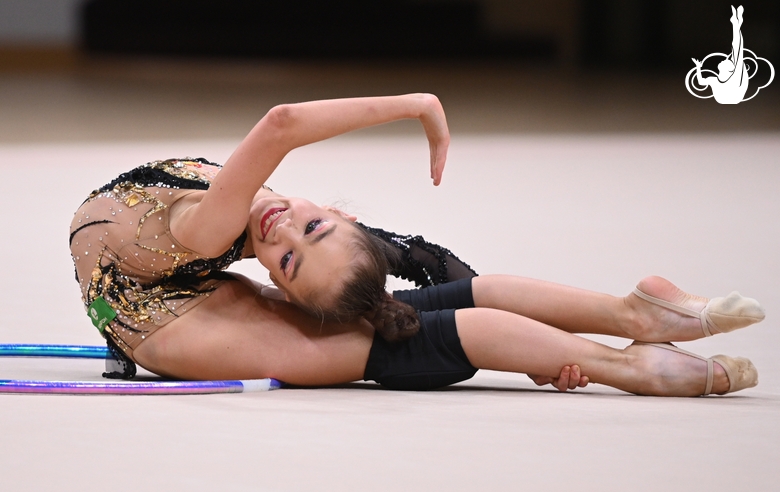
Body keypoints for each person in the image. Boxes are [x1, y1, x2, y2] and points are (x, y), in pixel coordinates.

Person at [70, 93, 764, 396]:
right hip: (170, 318)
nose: (284, 228)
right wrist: (418, 104)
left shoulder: (278, 226)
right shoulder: (232, 222)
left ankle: (634, 315)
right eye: (287, 256)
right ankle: (631, 367)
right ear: (279, 289)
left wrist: (533, 352)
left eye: (310, 231)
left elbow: (432, 265)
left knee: (415, 289)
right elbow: (279, 124)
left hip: (169, 280)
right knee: (408, 339)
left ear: (340, 215)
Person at [693, 5, 748, 104]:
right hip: (727, 99)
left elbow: (738, 50)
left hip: (733, 97)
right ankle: (736, 24)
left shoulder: (733, 77)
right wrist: (698, 67)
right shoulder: (714, 79)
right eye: (728, 60)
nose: (725, 59)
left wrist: (736, 26)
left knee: (737, 51)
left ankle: (736, 24)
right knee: (736, 51)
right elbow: (701, 82)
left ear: (729, 70)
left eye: (727, 61)